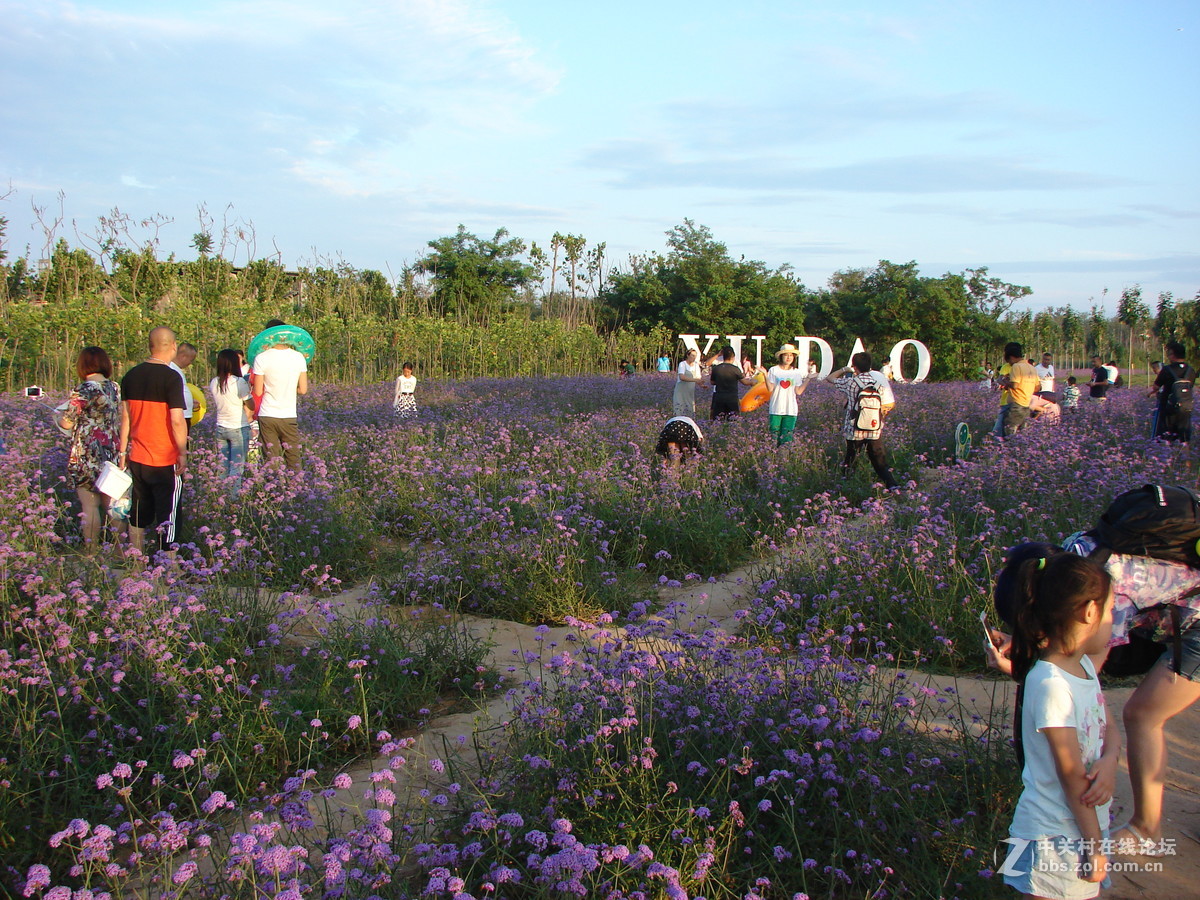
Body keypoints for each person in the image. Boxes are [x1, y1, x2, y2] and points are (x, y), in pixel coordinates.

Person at [998, 551, 1117, 897]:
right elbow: (1070, 773)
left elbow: (1108, 727)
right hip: (1051, 837)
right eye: (1110, 611)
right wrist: (1094, 846)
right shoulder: (1051, 685)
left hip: (1083, 825)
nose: (1112, 619)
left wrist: (1110, 761)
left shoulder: (1084, 668)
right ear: (1089, 611)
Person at [119, 327, 187, 557]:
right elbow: (177, 420)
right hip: (164, 457)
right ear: (173, 346)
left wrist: (121, 452)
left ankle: (136, 560)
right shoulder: (171, 377)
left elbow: (126, 417)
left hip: (137, 456)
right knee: (169, 513)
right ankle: (171, 564)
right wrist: (182, 453)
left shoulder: (131, 375)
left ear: (150, 346)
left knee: (138, 510)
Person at [58, 346, 124, 552]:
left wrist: (59, 418)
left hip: (86, 452)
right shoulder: (114, 387)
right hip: (111, 450)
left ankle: (91, 551)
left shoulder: (84, 389)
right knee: (112, 504)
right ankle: (122, 552)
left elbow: (67, 423)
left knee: (90, 505)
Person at [826, 351, 899, 489]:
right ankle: (892, 485)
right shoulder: (878, 383)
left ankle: (846, 486)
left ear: (855, 366)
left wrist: (844, 370)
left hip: (854, 428)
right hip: (874, 427)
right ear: (870, 365)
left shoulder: (851, 382)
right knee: (879, 459)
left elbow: (830, 378)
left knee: (851, 458)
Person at [251, 321, 309, 472]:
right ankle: (297, 490)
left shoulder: (261, 358)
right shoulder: (298, 357)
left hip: (267, 414)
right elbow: (303, 390)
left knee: (270, 459)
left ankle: (275, 490)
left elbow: (257, 391)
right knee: (293, 458)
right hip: (289, 415)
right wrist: (289, 388)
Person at [209, 348, 255, 481]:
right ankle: (233, 497)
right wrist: (248, 391)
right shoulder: (238, 382)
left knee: (223, 466)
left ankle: (221, 493)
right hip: (238, 428)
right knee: (237, 466)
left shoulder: (214, 382)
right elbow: (251, 405)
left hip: (221, 427)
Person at [1149, 341, 1193, 443]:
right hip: (1185, 408)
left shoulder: (1167, 369)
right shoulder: (1191, 370)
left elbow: (1156, 386)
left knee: (1166, 437)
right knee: (1184, 439)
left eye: (1169, 354)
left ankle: (1168, 458)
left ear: (1173, 355)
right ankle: (1185, 458)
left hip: (1168, 408)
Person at [766, 344, 807, 444]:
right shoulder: (774, 370)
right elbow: (770, 388)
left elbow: (798, 391)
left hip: (791, 409)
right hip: (776, 408)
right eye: (786, 355)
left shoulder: (796, 372)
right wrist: (764, 375)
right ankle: (773, 457)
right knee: (774, 436)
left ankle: (784, 457)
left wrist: (808, 379)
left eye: (791, 355)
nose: (789, 358)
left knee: (787, 437)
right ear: (781, 356)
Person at [999, 342, 1039, 436]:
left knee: (1009, 433)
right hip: (1026, 405)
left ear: (1012, 357)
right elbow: (1037, 387)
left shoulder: (1016, 366)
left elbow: (1015, 385)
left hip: (1016, 405)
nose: (1010, 363)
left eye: (1009, 361)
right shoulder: (1031, 368)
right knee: (1022, 435)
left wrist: (1006, 384)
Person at [708, 346, 754, 420]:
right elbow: (744, 382)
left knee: (718, 419)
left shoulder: (716, 368)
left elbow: (712, 382)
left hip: (719, 397)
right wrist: (752, 383)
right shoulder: (735, 369)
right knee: (733, 419)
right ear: (732, 357)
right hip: (732, 398)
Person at [169, 341, 198, 430]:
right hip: (180, 417)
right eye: (191, 359)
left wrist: (190, 403)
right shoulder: (171, 369)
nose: (190, 363)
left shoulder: (177, 370)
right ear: (183, 357)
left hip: (185, 415)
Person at [672, 349, 703, 417]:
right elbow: (682, 377)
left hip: (690, 392)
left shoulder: (696, 366)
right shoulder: (683, 364)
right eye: (692, 355)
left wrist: (702, 385)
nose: (694, 357)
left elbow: (698, 378)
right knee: (679, 408)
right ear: (687, 355)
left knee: (690, 409)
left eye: (695, 356)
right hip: (681, 391)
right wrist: (695, 380)